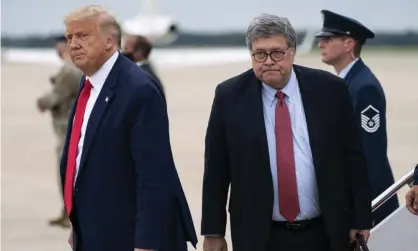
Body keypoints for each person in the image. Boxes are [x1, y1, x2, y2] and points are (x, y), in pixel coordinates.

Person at [201, 13, 372, 251]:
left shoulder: (331, 90)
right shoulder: (229, 96)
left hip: (324, 232)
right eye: (260, 54)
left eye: (277, 53)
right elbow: (216, 170)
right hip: (260, 235)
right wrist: (213, 231)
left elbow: (353, 157)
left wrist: (361, 218)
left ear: (292, 51)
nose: (268, 61)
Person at [60, 5, 197, 251]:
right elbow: (85, 157)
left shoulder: (139, 90)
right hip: (93, 229)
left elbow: (154, 175)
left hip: (128, 236)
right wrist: (77, 220)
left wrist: (147, 244)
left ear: (110, 42)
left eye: (83, 36)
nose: (73, 44)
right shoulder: (89, 82)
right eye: (70, 37)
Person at [316, 10, 399, 226]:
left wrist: (362, 212)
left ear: (348, 44)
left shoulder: (364, 88)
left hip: (369, 205)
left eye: (328, 39)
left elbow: (371, 154)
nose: (320, 44)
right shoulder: (346, 83)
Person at [37, 35, 83, 228]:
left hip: (67, 128)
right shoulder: (78, 68)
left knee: (67, 172)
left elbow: (55, 96)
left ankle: (70, 214)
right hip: (71, 126)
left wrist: (42, 102)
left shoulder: (69, 70)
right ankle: (68, 212)